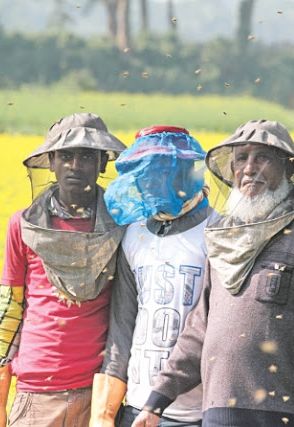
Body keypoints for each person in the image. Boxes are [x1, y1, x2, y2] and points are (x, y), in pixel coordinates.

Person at [131, 119, 294, 427]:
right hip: (217, 414)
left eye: (263, 157)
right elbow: (199, 329)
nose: (250, 168)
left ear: (287, 168)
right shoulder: (224, 233)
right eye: (241, 158)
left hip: (285, 416)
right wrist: (156, 402)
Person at [0, 113, 126, 427]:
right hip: (37, 391)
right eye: (66, 155)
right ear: (51, 161)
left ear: (103, 164)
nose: (75, 165)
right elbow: (10, 306)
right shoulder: (22, 225)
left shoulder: (121, 226)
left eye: (87, 156)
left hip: (99, 392)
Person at [89, 126, 218, 427]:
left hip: (195, 411)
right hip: (136, 406)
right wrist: (105, 411)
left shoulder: (217, 231)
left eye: (163, 172)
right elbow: (122, 324)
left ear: (187, 172)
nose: (153, 183)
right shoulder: (133, 234)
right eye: (146, 174)